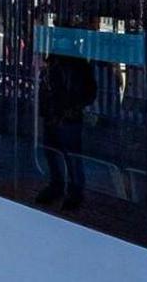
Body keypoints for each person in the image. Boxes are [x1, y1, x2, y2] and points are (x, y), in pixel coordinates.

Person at [35, 47, 96, 210]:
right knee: (52, 152)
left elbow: (89, 91)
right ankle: (58, 185)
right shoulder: (54, 61)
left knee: (71, 156)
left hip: (67, 117)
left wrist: (73, 109)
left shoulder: (77, 64)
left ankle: (75, 192)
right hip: (54, 115)